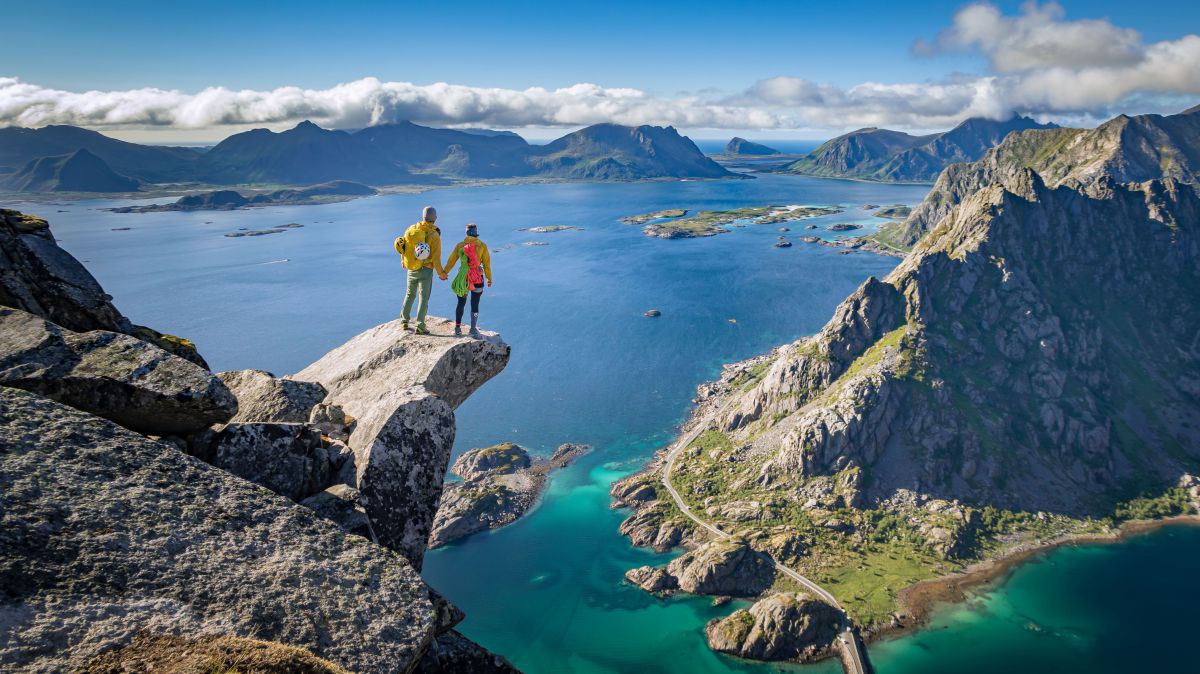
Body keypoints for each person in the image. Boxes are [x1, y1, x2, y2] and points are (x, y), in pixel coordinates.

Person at [395, 206, 444, 334]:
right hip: (426, 270)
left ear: (423, 216)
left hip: (411, 268)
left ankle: (404, 321)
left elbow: (404, 246)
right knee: (423, 298)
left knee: (410, 294)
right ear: (435, 218)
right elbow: (436, 259)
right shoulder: (434, 235)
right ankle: (420, 326)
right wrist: (441, 273)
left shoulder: (411, 229)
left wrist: (403, 261)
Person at [443, 222, 492, 337]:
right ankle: (473, 329)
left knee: (461, 303)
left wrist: (444, 272)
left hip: (463, 277)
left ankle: (458, 328)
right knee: (475, 304)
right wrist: (489, 278)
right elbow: (487, 264)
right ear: (476, 233)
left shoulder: (460, 245)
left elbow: (451, 260)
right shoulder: (482, 246)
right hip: (478, 277)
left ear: (466, 233)